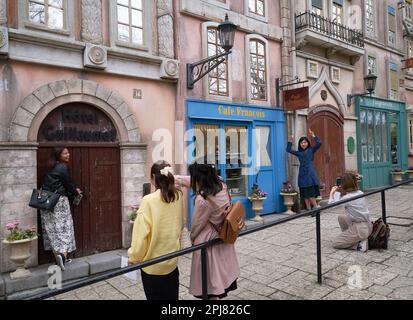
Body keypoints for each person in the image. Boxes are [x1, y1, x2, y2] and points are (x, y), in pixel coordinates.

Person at [175, 161, 240, 299]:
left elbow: (197, 225)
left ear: (200, 179)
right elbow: (190, 181)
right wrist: (176, 178)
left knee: (210, 281)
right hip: (222, 235)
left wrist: (191, 237)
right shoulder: (222, 185)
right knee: (220, 277)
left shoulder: (203, 200)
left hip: (207, 240)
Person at [128, 161, 183, 300]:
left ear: (153, 177)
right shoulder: (177, 196)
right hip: (171, 261)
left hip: (152, 266)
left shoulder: (148, 201)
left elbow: (140, 236)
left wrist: (134, 257)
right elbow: (179, 226)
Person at [40, 147, 82, 270]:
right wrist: (75, 191)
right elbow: (68, 184)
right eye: (65, 153)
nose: (68, 154)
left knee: (51, 230)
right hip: (59, 202)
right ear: (59, 155)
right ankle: (63, 257)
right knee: (65, 229)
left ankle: (58, 258)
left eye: (68, 152)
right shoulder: (62, 167)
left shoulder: (50, 167)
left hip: (46, 202)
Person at [328, 172, 372, 252]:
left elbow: (331, 205)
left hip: (360, 229)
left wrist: (332, 193)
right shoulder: (360, 193)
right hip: (368, 225)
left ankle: (359, 245)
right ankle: (351, 237)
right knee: (341, 217)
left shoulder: (347, 198)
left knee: (336, 243)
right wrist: (340, 191)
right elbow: (341, 200)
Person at [286, 129, 322, 211]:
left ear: (308, 143)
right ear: (300, 144)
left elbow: (319, 143)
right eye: (302, 143)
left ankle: (316, 209)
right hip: (302, 174)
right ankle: (308, 210)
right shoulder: (299, 153)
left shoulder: (311, 150)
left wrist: (313, 135)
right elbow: (288, 150)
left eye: (305, 142)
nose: (303, 144)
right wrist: (290, 141)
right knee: (305, 194)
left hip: (310, 174)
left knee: (311, 194)